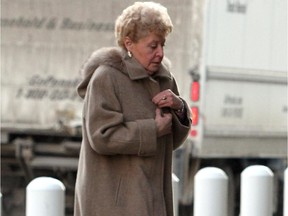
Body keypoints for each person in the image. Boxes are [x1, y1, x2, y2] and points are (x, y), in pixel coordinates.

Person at [74, 2, 191, 216]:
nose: (160, 53)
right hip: (115, 204)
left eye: (163, 45)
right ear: (129, 43)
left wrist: (180, 108)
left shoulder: (165, 80)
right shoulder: (106, 78)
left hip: (153, 198)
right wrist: (152, 129)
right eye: (153, 46)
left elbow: (169, 143)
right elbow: (102, 136)